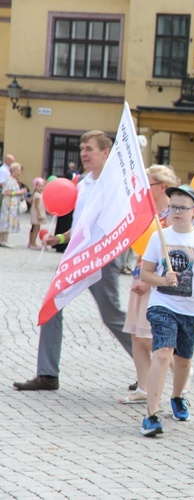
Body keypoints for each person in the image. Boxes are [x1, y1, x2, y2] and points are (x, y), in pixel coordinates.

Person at [14, 131, 133, 391]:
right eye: (82, 148)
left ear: (105, 153)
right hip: (75, 257)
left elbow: (121, 227)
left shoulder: (116, 185)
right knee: (51, 306)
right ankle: (47, 374)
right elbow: (80, 226)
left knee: (112, 317)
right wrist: (59, 238)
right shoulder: (83, 184)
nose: (84, 153)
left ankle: (149, 363)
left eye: (89, 149)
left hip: (101, 260)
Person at [139, 184, 194, 436]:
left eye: (183, 207)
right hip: (162, 305)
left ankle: (177, 397)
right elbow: (146, 274)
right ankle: (151, 415)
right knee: (163, 352)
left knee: (183, 361)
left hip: (191, 309)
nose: (177, 211)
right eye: (173, 206)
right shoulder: (159, 236)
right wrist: (163, 281)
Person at [118, 165, 179, 404]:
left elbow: (171, 253)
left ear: (162, 187)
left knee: (149, 336)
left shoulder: (172, 216)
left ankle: (180, 370)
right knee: (136, 335)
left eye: (149, 184)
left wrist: (151, 282)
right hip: (140, 273)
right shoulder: (146, 212)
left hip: (157, 281)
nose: (143, 188)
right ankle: (142, 388)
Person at [0, 162, 27, 247]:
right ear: (14, 171)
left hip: (12, 205)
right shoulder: (9, 179)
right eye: (18, 171)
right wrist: (20, 192)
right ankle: (3, 240)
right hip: (8, 204)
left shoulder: (14, 180)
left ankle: (5, 239)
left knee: (8, 221)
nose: (19, 173)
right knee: (6, 221)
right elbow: (6, 191)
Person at [27, 177, 47, 250]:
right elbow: (37, 205)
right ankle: (33, 243)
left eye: (42, 186)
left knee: (35, 228)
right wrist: (39, 214)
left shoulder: (40, 194)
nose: (41, 187)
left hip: (38, 212)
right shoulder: (37, 195)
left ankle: (31, 242)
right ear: (35, 186)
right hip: (37, 213)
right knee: (35, 229)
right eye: (39, 186)